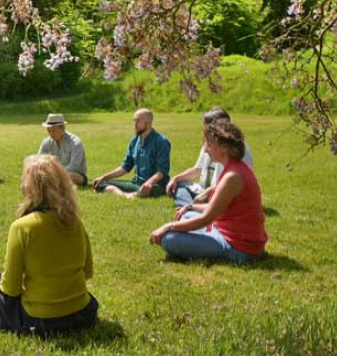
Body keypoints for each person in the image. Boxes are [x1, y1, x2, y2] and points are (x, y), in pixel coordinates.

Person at [0, 154, 99, 335]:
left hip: (40, 322)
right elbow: (87, 272)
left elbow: (11, 289)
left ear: (28, 188)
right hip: (83, 316)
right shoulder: (75, 223)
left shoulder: (22, 227)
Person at [149, 121, 267, 263]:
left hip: (239, 248)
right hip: (226, 231)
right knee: (186, 214)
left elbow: (206, 218)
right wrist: (190, 206)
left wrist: (167, 227)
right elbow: (215, 208)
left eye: (209, 145)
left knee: (169, 239)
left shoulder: (233, 177)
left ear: (224, 148)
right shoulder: (235, 168)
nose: (206, 150)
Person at [167, 106, 254, 208]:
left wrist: (208, 193)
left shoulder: (237, 149)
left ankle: (190, 209)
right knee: (178, 184)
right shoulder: (209, 144)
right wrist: (176, 178)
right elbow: (197, 170)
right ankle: (191, 208)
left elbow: (231, 184)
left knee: (193, 212)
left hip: (222, 194)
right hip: (203, 190)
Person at [92, 108, 171, 198]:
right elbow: (125, 167)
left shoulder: (161, 141)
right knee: (100, 183)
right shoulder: (134, 140)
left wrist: (149, 183)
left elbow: (162, 171)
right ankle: (127, 195)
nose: (134, 124)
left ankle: (130, 193)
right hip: (136, 184)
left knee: (150, 190)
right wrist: (104, 177)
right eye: (134, 121)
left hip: (155, 185)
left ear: (148, 123)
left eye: (138, 121)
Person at [37, 113, 87, 186]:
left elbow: (74, 166)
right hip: (53, 174)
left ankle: (52, 183)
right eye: (48, 131)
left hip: (74, 174)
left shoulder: (75, 142)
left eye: (53, 130)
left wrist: (55, 174)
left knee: (71, 176)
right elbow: (39, 161)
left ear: (63, 128)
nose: (51, 133)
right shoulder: (46, 142)